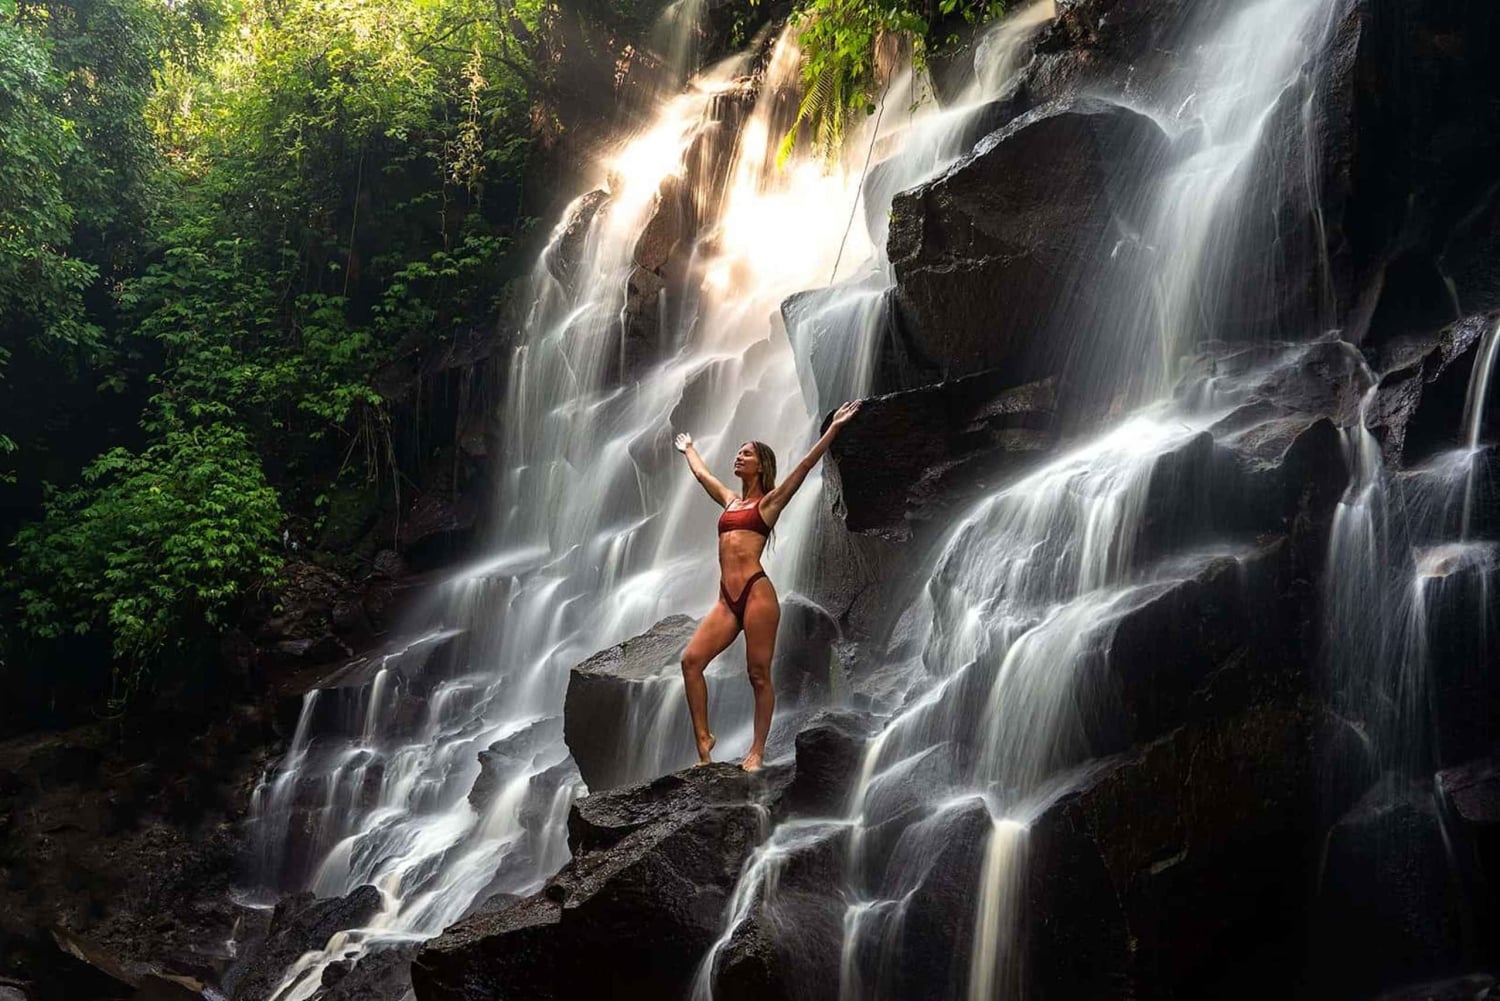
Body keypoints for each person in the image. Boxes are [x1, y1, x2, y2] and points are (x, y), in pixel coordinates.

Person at [673, 400, 862, 771]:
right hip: (726, 601)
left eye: (747, 453)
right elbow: (702, 476)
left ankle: (757, 751)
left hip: (757, 594)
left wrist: (834, 428)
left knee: (758, 674)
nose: (739, 457)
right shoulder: (729, 502)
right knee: (691, 661)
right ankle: (705, 744)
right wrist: (690, 449)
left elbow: (805, 465)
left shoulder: (770, 504)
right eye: (739, 452)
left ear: (762, 465)